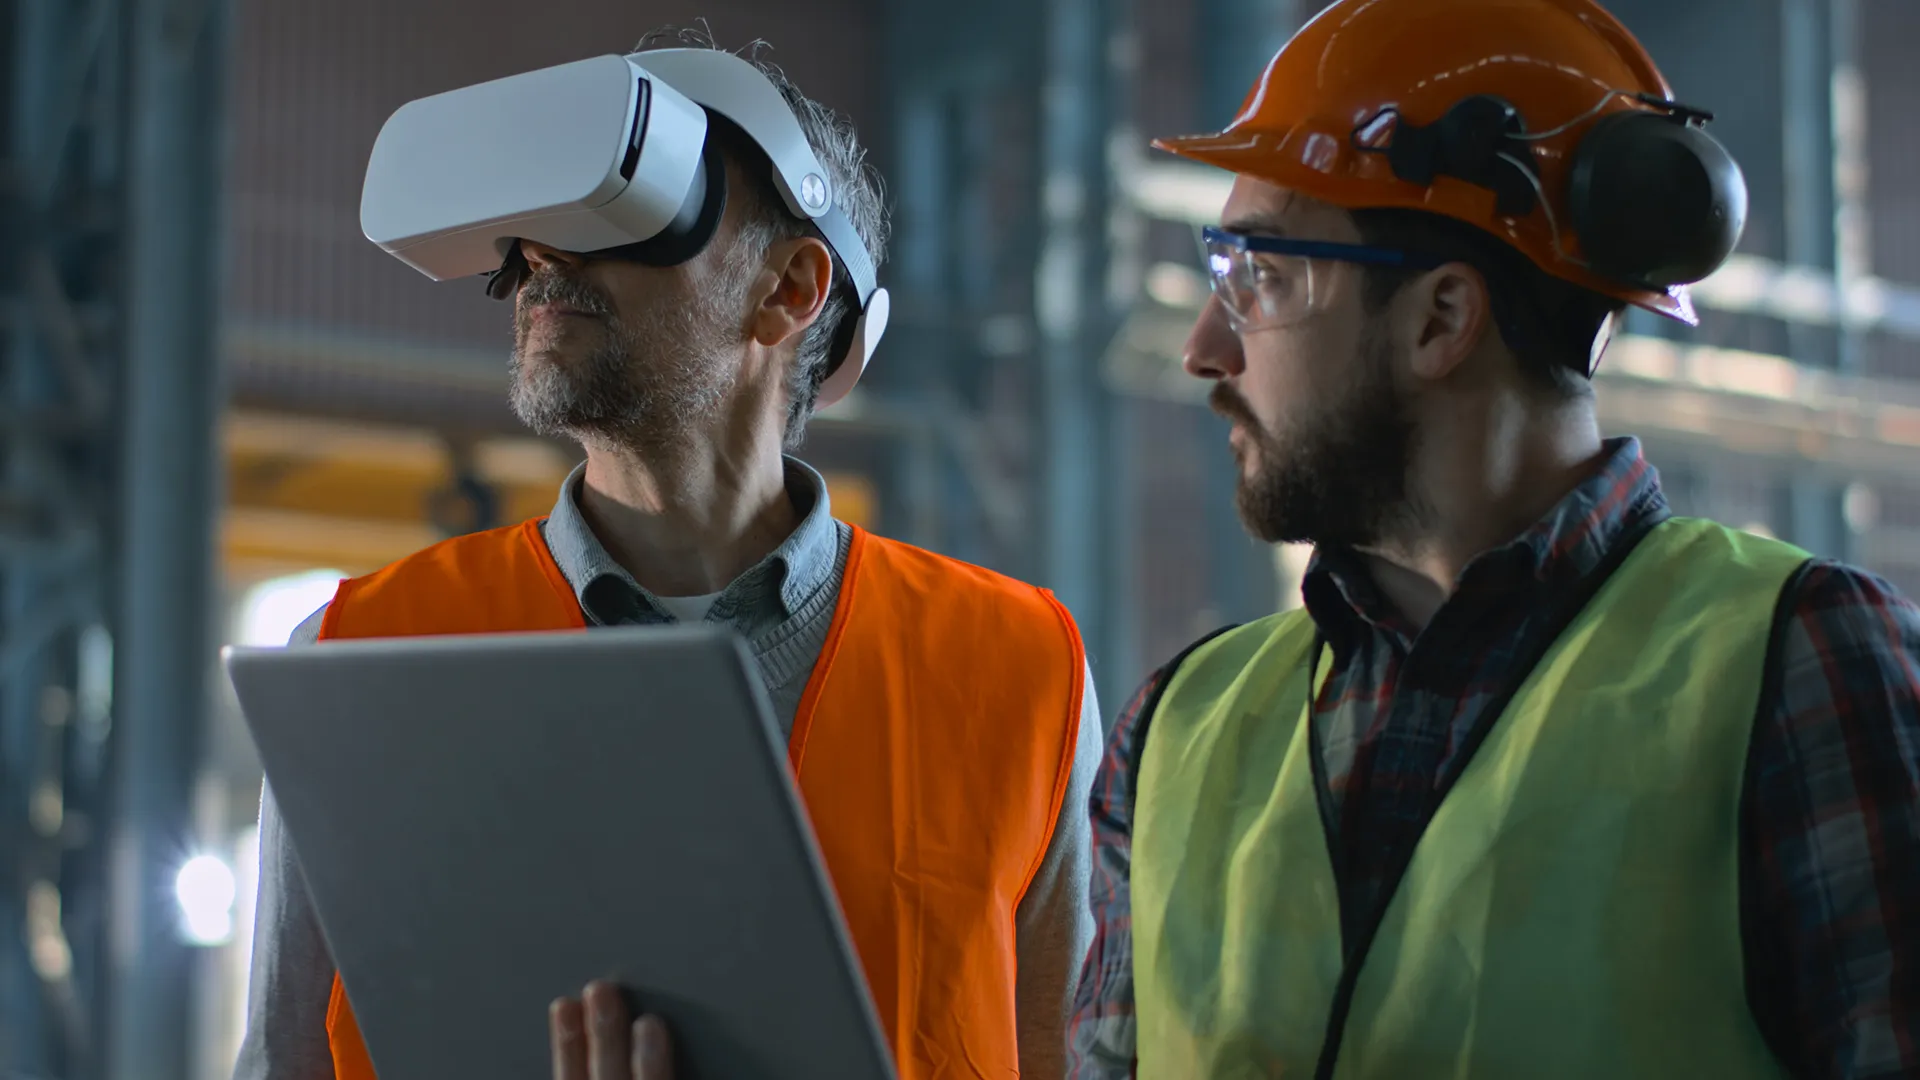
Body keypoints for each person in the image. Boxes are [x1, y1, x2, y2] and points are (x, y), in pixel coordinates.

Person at [1066, 1, 1920, 1077]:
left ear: (1440, 319)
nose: (1203, 349)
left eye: (1259, 280)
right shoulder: (1178, 729)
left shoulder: (1799, 667)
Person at [233, 29, 1101, 1080]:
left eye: (623, 208)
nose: (540, 259)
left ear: (789, 288)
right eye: (531, 230)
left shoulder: (1016, 667)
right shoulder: (355, 657)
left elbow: (1068, 1056)